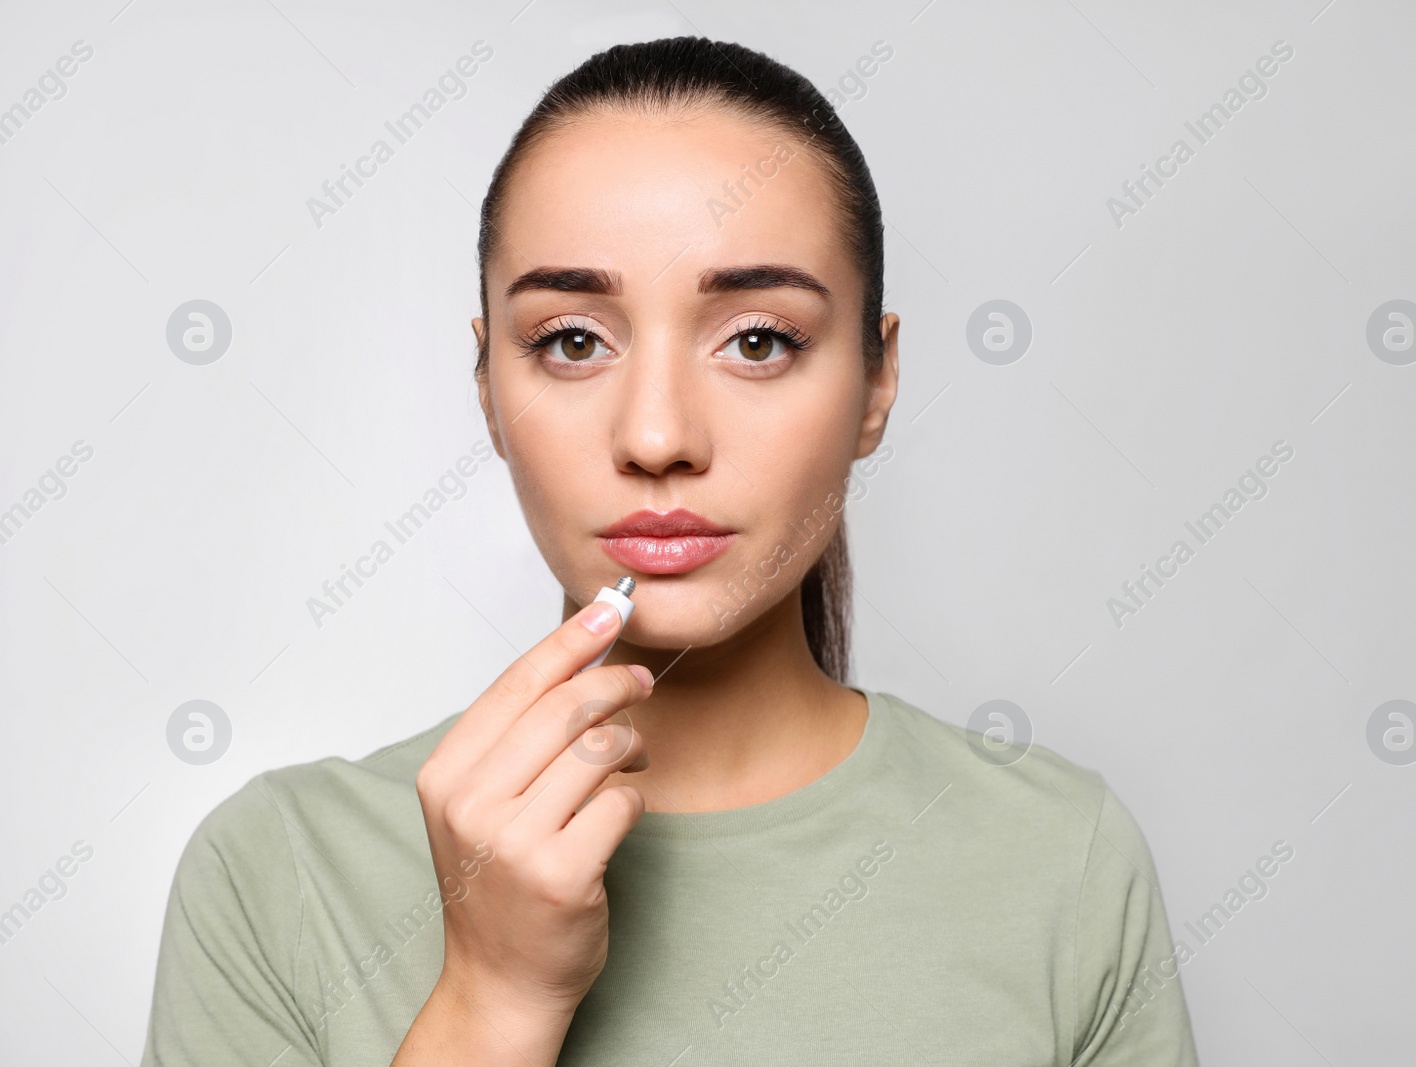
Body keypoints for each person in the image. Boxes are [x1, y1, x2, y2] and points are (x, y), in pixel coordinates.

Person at [140, 36, 1199, 1066]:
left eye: (756, 340)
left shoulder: (1059, 859)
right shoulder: (277, 871)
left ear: (875, 384)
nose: (656, 438)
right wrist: (495, 997)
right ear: (488, 392)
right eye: (572, 340)